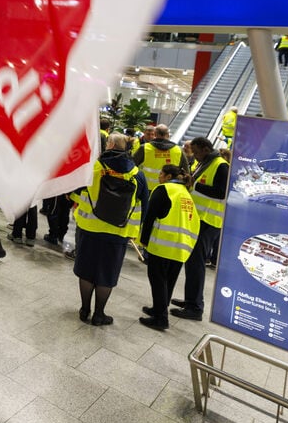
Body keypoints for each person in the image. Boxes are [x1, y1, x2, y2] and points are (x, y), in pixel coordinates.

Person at [72, 133, 149, 326]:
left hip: (89, 228)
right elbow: (145, 206)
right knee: (107, 273)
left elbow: (74, 192)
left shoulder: (93, 167)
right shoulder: (137, 174)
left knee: (87, 270)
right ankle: (99, 314)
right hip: (118, 233)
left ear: (111, 145)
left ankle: (84, 309)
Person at [171, 137, 229, 321]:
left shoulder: (221, 166)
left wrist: (194, 184)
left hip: (209, 222)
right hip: (198, 220)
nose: (194, 155)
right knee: (191, 263)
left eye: (196, 151)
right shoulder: (205, 162)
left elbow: (222, 192)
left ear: (205, 149)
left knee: (196, 265)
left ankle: (195, 308)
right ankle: (191, 300)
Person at [138, 164, 200, 331]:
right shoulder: (186, 194)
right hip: (181, 247)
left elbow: (150, 216)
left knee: (157, 280)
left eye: (160, 173)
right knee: (168, 281)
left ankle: (160, 318)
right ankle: (159, 308)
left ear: (166, 176)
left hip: (163, 244)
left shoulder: (163, 189)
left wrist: (143, 241)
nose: (158, 177)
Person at [133, 124, 187, 192]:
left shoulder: (145, 148)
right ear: (168, 134)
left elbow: (132, 165)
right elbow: (186, 172)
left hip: (145, 188)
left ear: (155, 134)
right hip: (169, 189)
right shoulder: (178, 150)